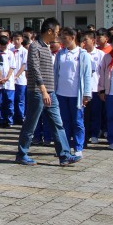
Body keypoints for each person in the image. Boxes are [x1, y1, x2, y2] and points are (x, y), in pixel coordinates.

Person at [14, 18, 81, 167]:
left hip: (50, 92)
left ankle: (64, 155)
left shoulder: (46, 47)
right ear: (49, 31)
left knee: (58, 124)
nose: (57, 35)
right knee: (31, 124)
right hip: (38, 92)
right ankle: (22, 154)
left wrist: (48, 91)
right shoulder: (35, 46)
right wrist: (43, 90)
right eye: (56, 32)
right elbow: (34, 68)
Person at [53, 27, 91, 158]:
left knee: (77, 121)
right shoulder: (60, 54)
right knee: (64, 122)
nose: (62, 40)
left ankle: (78, 147)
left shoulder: (82, 54)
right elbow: (55, 72)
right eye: (61, 38)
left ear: (73, 38)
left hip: (76, 94)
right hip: (61, 93)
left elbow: (87, 75)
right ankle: (65, 147)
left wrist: (86, 94)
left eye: (65, 38)